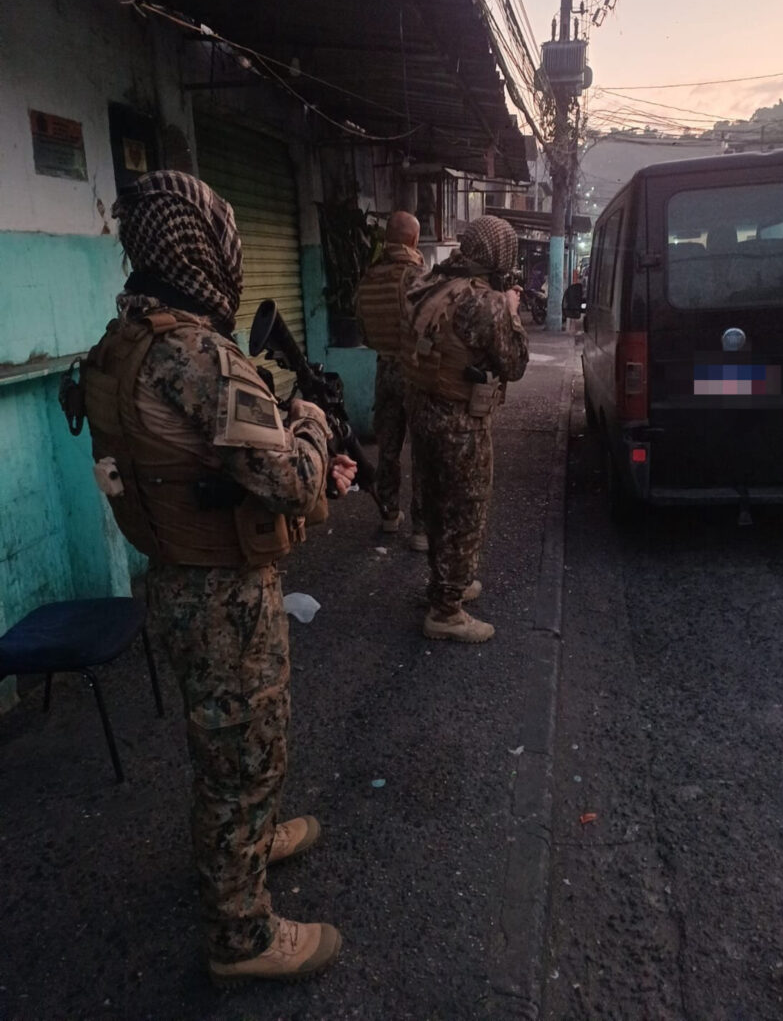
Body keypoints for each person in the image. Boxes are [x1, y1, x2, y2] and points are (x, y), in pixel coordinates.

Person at [83, 171, 356, 986]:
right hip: (222, 596)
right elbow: (293, 482)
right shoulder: (194, 354)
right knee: (242, 758)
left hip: (177, 577)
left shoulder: (122, 340)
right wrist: (312, 423)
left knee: (232, 747)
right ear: (200, 249)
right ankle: (241, 934)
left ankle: (251, 841)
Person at [401, 216, 529, 643]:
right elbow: (515, 364)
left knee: (437, 505)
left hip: (423, 411)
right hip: (460, 424)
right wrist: (511, 311)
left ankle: (445, 583)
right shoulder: (486, 302)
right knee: (466, 512)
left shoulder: (429, 282)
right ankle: (446, 611)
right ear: (498, 253)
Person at [356, 210, 427, 550]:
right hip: (415, 372)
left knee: (388, 447)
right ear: (413, 239)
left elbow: (362, 329)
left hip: (384, 369)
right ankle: (422, 530)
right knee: (423, 450)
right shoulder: (419, 277)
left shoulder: (369, 277)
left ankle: (388, 514)